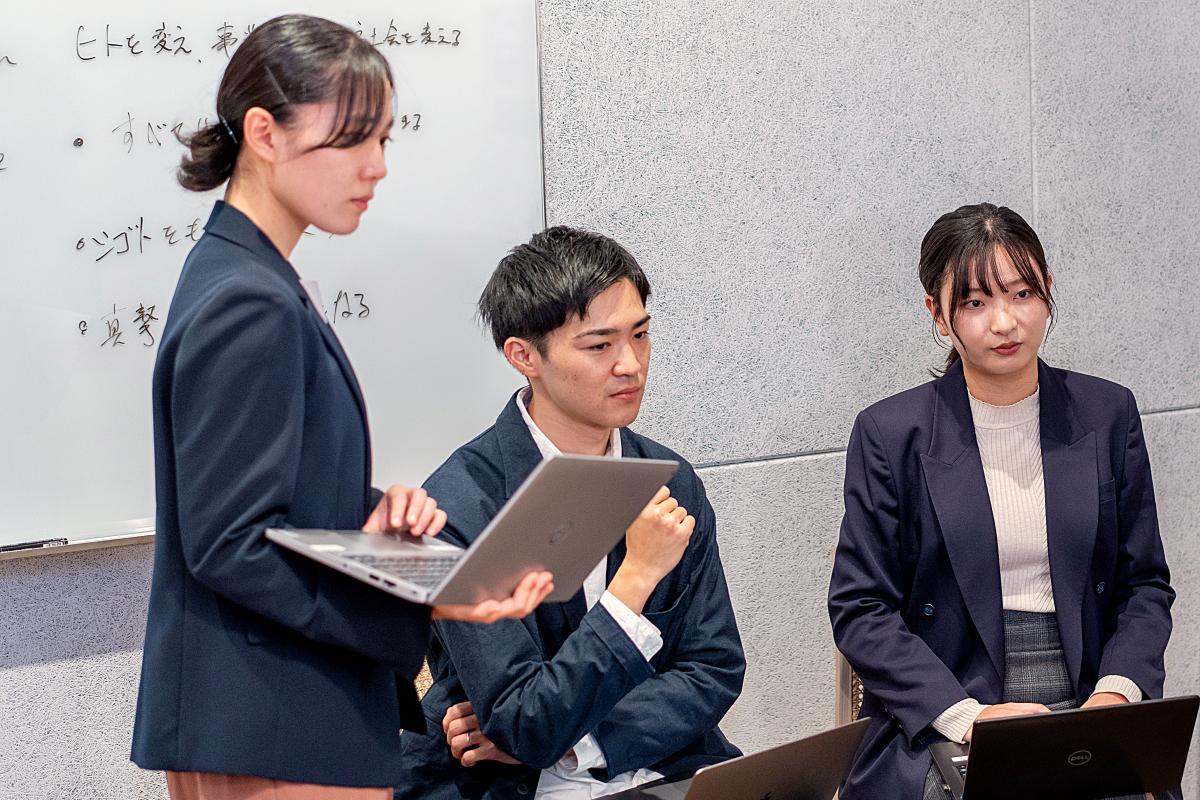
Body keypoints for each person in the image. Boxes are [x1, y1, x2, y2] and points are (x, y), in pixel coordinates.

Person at [130, 15, 552, 799]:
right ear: (266, 133)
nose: (378, 166)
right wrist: (426, 595)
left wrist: (366, 518)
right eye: (355, 139)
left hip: (267, 718)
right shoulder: (249, 299)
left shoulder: (243, 274)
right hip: (275, 720)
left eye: (385, 139)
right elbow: (229, 544)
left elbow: (260, 505)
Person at [828, 202, 1175, 800]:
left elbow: (1143, 584)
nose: (1005, 322)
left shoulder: (1108, 413)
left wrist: (1117, 694)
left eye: (1022, 293)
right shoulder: (891, 433)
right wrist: (967, 716)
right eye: (975, 302)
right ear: (937, 314)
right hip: (950, 701)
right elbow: (861, 608)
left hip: (1088, 694)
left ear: (1048, 289)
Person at [393, 226, 745, 799]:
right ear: (524, 356)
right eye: (599, 346)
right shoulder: (459, 507)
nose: (630, 364)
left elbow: (713, 667)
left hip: (655, 766)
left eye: (641, 335)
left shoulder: (670, 479)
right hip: (510, 786)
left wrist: (584, 741)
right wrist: (635, 580)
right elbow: (523, 720)